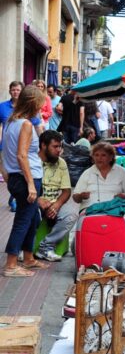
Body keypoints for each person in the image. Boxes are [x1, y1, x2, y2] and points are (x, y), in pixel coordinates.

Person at [2, 85, 48, 277]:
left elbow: (7, 151)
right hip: (25, 178)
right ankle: (11, 264)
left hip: (16, 177)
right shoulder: (26, 125)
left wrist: (7, 173)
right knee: (23, 220)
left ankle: (28, 257)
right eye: (40, 104)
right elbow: (22, 155)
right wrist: (30, 183)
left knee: (33, 218)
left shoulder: (12, 122)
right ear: (33, 103)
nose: (41, 108)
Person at [35, 130, 79, 262]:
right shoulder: (33, 161)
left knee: (71, 215)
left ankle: (46, 246)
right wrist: (38, 200)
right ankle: (25, 248)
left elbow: (66, 191)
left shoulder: (61, 163)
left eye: (60, 146)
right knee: (29, 214)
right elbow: (24, 189)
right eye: (55, 146)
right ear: (43, 145)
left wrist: (57, 205)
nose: (59, 150)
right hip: (34, 202)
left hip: (54, 203)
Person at [73, 142, 125, 212]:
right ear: (93, 157)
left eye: (103, 155)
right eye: (96, 155)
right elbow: (75, 197)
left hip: (116, 209)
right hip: (90, 210)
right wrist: (81, 196)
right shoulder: (87, 173)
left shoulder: (122, 172)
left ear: (111, 157)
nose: (99, 158)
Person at [0, 81, 26, 212]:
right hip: (5, 147)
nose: (15, 92)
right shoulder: (2, 106)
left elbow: (37, 124)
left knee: (20, 173)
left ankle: (15, 198)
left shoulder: (26, 107)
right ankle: (13, 195)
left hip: (23, 146)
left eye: (18, 90)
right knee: (6, 175)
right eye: (13, 90)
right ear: (10, 91)